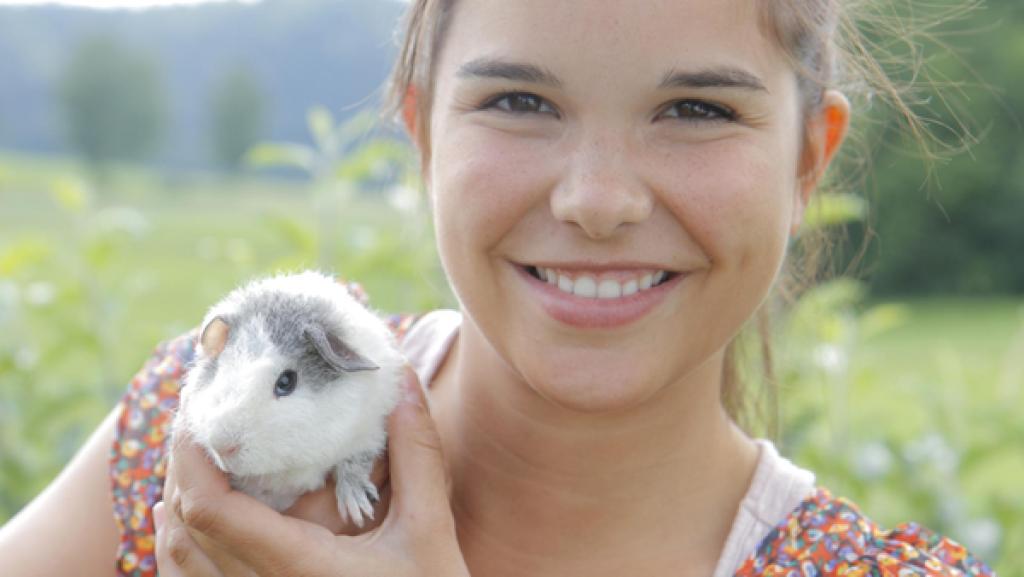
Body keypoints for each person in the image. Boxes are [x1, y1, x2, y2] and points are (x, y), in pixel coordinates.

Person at [0, 0, 999, 576]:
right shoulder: (197, 448)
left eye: (695, 108)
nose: (597, 200)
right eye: (520, 101)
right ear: (424, 132)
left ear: (804, 166)